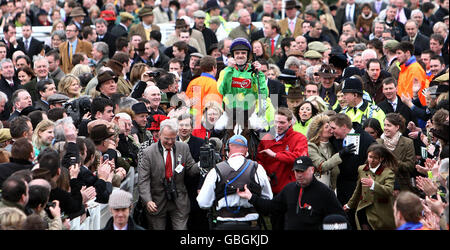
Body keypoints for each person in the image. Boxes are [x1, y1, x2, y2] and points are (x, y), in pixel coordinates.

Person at [237, 155, 347, 230]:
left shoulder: (325, 193)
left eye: (302, 171)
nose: (299, 174)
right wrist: (251, 197)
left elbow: (341, 220)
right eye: (296, 171)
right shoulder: (289, 189)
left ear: (312, 170)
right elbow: (271, 207)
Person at [197, 134, 272, 230]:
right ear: (246, 150)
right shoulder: (258, 168)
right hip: (251, 225)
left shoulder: (216, 170)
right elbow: (268, 199)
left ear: (227, 150)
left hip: (223, 224)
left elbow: (203, 203)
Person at [137, 119, 198, 230]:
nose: (170, 142)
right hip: (156, 201)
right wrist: (148, 200)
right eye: (166, 139)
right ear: (159, 135)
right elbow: (143, 180)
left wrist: (202, 164)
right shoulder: (148, 152)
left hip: (179, 199)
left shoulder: (183, 148)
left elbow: (191, 169)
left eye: (173, 138)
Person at [257, 107, 308, 230]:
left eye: (282, 123)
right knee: (276, 223)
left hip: (291, 189)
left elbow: (299, 158)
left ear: (290, 122)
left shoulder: (299, 138)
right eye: (276, 122)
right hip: (272, 188)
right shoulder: (266, 138)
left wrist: (275, 155)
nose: (278, 125)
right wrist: (264, 175)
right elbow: (259, 160)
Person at [329, 113, 376, 211]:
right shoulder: (333, 139)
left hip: (359, 187)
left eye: (334, 128)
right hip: (341, 187)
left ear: (344, 127)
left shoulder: (366, 140)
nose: (331, 131)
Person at [344, 144, 397, 230]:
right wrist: (349, 205)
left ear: (381, 159)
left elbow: (389, 191)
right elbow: (358, 189)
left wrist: (373, 185)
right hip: (364, 208)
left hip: (380, 211)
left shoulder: (388, 172)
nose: (371, 160)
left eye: (375, 158)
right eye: (370, 157)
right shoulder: (361, 169)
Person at [376, 113, 416, 193]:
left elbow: (410, 166)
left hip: (402, 187)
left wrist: (393, 162)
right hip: (381, 186)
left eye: (389, 125)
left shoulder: (407, 142)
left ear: (397, 127)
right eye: (385, 125)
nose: (385, 128)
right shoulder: (378, 142)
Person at [307, 114, 341, 191]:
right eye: (326, 127)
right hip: (317, 188)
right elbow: (321, 166)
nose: (330, 129)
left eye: (330, 126)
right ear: (318, 132)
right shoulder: (311, 146)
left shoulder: (332, 145)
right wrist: (340, 155)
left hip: (332, 188)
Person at [395, 41, 427, 106]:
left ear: (407, 53)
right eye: (396, 53)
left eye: (399, 53)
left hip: (411, 106)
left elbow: (412, 93)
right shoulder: (405, 68)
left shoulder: (415, 69)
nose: (397, 56)